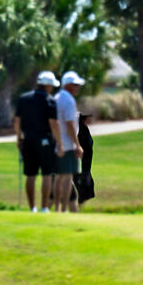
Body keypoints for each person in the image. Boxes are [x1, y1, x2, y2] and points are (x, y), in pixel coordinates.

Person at [14, 70, 59, 211]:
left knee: (30, 175)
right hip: (45, 140)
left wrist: (19, 138)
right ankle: (44, 207)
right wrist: (59, 142)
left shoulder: (24, 98)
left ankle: (32, 207)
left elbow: (17, 121)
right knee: (46, 174)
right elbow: (53, 124)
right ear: (48, 86)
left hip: (27, 140)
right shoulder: (50, 101)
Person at [46, 70, 83, 212]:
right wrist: (77, 145)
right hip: (67, 144)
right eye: (75, 84)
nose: (77, 87)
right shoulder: (68, 100)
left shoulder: (57, 97)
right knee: (67, 177)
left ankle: (57, 208)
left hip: (57, 143)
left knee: (58, 178)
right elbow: (69, 124)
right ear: (67, 85)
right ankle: (64, 208)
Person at [63, 71, 96, 206]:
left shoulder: (77, 100)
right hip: (76, 137)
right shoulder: (66, 99)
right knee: (76, 172)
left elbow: (88, 118)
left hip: (82, 137)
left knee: (82, 171)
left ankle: (83, 201)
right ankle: (81, 201)